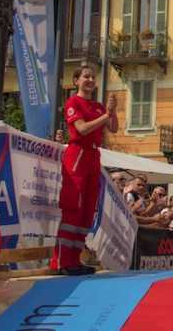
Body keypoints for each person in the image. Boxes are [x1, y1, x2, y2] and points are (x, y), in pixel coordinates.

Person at [51, 65, 118, 275]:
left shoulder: (98, 106)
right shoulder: (73, 102)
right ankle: (61, 262)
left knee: (88, 211)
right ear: (76, 81)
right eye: (85, 76)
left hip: (93, 155)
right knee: (73, 207)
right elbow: (82, 129)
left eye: (92, 77)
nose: (90, 80)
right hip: (78, 154)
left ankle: (75, 259)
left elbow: (114, 128)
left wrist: (112, 111)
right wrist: (106, 115)